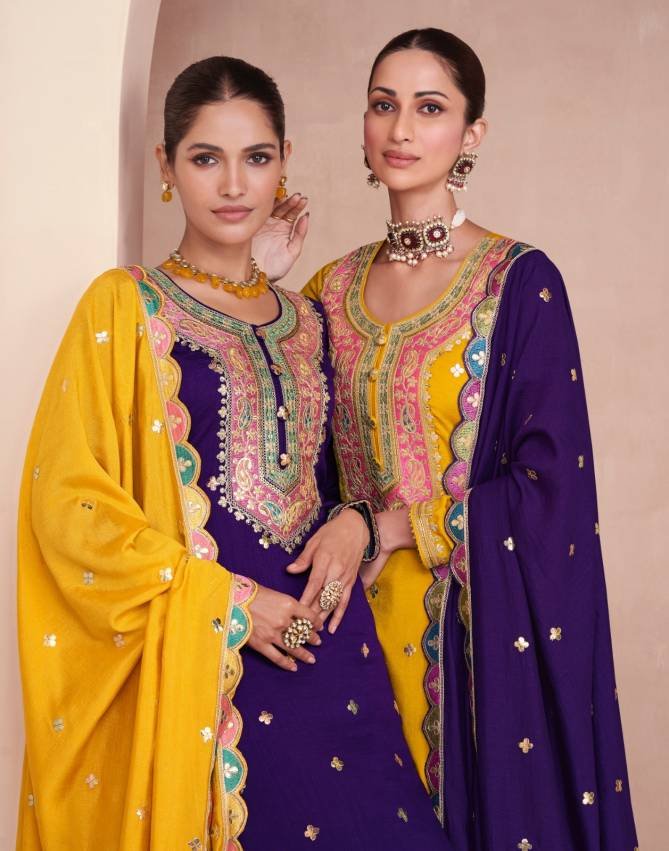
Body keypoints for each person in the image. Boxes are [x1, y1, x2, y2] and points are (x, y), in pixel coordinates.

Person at [16, 56, 450, 850]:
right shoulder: (125, 306)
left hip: (334, 653)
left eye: (255, 157)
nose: (232, 184)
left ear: (284, 161)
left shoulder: (308, 319)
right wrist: (230, 604)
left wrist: (357, 520)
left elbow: (346, 479)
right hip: (216, 667)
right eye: (204, 158)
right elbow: (68, 507)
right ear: (165, 166)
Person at [272, 28, 638, 850]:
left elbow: (550, 490)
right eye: (383, 105)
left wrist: (392, 525)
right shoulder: (327, 289)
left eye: (429, 108)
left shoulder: (518, 282)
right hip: (347, 634)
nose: (401, 128)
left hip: (473, 647)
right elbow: (279, 450)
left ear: (471, 134)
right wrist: (261, 285)